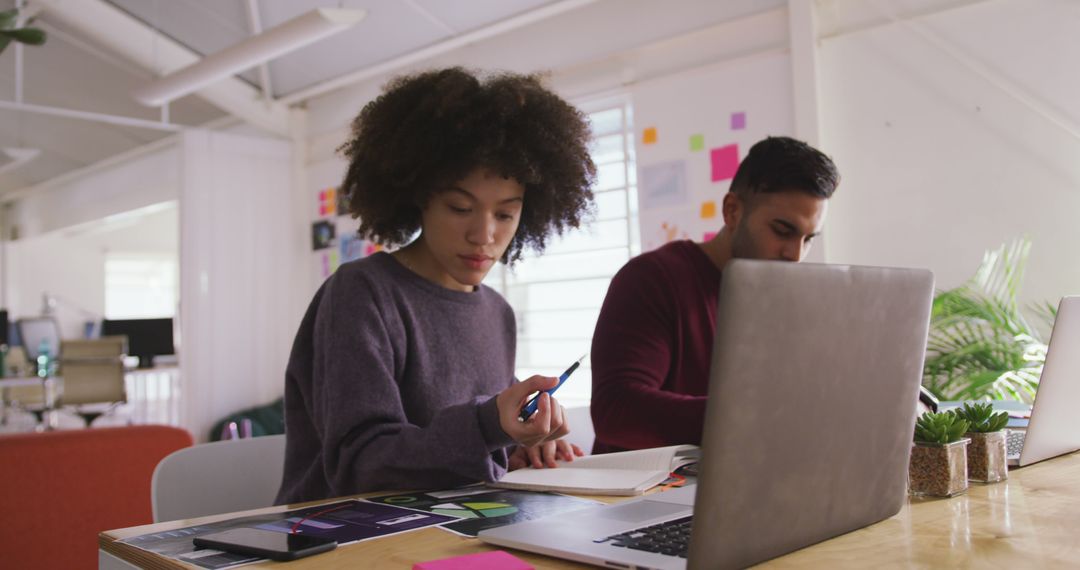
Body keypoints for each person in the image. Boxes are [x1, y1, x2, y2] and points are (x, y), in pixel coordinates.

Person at [276, 68, 596, 504]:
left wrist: (521, 443)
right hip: (340, 539)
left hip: (454, 528)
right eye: (460, 207)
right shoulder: (361, 294)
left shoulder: (496, 311)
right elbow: (361, 466)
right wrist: (488, 426)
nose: (483, 234)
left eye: (505, 214)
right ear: (418, 195)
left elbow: (463, 449)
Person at [590, 136, 840, 453]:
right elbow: (616, 411)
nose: (795, 254)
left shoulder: (784, 300)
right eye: (782, 231)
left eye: (808, 239)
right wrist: (751, 415)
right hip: (646, 495)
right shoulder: (651, 279)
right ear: (732, 211)